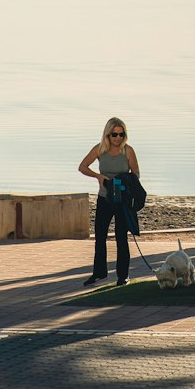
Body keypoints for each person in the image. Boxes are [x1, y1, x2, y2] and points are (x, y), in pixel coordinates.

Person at [78, 117, 140, 287]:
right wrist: (98, 176)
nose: (118, 138)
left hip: (122, 200)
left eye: (121, 134)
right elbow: (82, 167)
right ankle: (99, 273)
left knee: (121, 237)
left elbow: (136, 174)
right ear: (107, 134)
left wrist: (123, 181)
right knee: (100, 236)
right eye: (114, 134)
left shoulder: (128, 151)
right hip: (104, 197)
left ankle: (123, 276)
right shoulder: (99, 150)